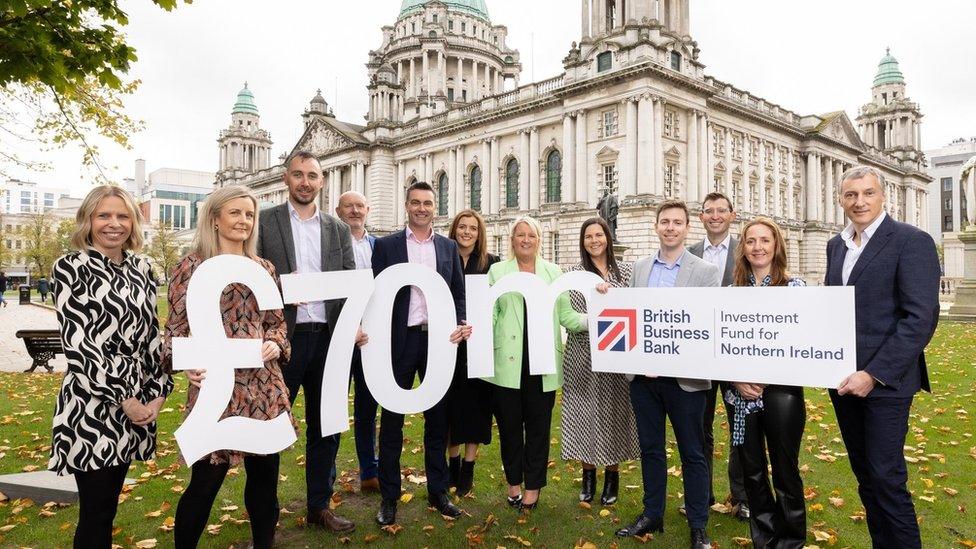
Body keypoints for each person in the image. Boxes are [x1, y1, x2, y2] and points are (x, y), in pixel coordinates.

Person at [165, 185, 292, 549]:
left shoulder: (264, 268)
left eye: (249, 214)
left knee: (266, 480)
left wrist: (275, 342)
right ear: (215, 219)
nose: (243, 221)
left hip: (263, 387)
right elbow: (175, 330)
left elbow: (278, 324)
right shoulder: (191, 267)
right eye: (235, 213)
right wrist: (186, 362)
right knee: (205, 481)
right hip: (216, 388)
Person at [49, 185, 172, 548]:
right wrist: (125, 399)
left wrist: (157, 393)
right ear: (87, 220)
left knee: (110, 508)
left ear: (133, 222)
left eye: (122, 216)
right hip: (92, 404)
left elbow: (152, 335)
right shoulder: (70, 267)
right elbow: (79, 345)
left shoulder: (142, 268)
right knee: (96, 511)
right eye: (104, 215)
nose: (113, 224)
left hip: (137, 400)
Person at [826, 166, 940, 549]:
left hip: (886, 384)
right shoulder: (836, 245)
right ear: (842, 199)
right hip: (843, 383)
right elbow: (832, 309)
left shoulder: (912, 241)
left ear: (883, 195)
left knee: (887, 479)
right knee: (866, 478)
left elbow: (919, 319)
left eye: (868, 193)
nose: (859, 202)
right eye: (851, 195)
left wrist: (872, 374)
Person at [256, 152, 357, 533]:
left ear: (321, 181)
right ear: (286, 179)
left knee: (326, 425)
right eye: (298, 175)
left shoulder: (337, 228)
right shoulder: (265, 222)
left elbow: (348, 279)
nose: (304, 182)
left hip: (328, 338)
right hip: (283, 339)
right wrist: (281, 288)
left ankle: (319, 506)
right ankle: (265, 518)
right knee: (270, 426)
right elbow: (251, 277)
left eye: (312, 176)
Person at [614, 200, 718, 549]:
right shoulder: (640, 269)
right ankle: (652, 514)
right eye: (665, 222)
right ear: (656, 227)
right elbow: (628, 313)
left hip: (684, 381)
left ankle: (698, 524)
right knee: (651, 449)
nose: (670, 228)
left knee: (693, 452)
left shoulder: (705, 271)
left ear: (687, 228)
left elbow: (707, 324)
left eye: (677, 222)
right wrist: (605, 297)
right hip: (644, 380)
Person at [371, 181, 471, 526]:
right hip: (399, 341)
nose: (422, 208)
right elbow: (375, 293)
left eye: (427, 203)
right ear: (407, 206)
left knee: (438, 420)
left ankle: (438, 491)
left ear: (434, 206)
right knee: (393, 422)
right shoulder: (386, 247)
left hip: (438, 342)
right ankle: (389, 496)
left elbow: (458, 292)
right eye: (415, 203)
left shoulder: (447, 247)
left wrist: (461, 321)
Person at [486, 216, 587, 511]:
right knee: (509, 429)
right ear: (512, 239)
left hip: (542, 364)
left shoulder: (554, 272)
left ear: (539, 239)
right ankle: (513, 483)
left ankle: (533, 487)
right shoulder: (497, 271)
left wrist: (598, 317)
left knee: (539, 429)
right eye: (520, 235)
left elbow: (567, 316)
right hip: (507, 363)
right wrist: (475, 331)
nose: (526, 240)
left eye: (531, 235)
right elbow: (490, 314)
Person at [727, 217, 806, 548]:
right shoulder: (731, 294)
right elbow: (720, 346)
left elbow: (805, 345)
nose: (757, 247)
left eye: (764, 241)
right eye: (750, 241)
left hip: (782, 396)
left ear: (776, 246)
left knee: (785, 471)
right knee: (752, 471)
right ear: (743, 249)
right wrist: (736, 379)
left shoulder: (795, 288)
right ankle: (765, 537)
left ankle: (790, 540)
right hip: (740, 397)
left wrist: (766, 376)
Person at [560, 217, 638, 506]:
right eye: (588, 236)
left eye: (598, 235)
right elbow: (567, 317)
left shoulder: (626, 273)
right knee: (584, 415)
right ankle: (588, 476)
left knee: (613, 414)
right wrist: (599, 316)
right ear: (583, 242)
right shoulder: (573, 275)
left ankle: (613, 477)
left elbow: (634, 310)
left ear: (607, 237)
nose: (594, 240)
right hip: (582, 354)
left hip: (616, 356)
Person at [688, 191, 749, 521]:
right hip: (699, 354)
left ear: (732, 214)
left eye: (721, 210)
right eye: (709, 211)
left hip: (734, 354)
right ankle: (701, 495)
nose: (715, 215)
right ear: (701, 217)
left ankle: (741, 496)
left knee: (739, 426)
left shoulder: (747, 248)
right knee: (700, 429)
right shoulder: (690, 252)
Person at [446, 209, 500, 496]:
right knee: (450, 407)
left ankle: (468, 467)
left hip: (479, 345)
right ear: (454, 230)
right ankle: (452, 464)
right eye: (462, 227)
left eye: (473, 228)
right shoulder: (443, 259)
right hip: (449, 342)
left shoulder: (492, 263)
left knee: (477, 408)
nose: (467, 232)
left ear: (480, 234)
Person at [334, 190, 380, 494]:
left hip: (372, 337)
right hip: (338, 335)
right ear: (338, 210)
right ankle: (326, 476)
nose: (355, 211)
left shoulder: (380, 245)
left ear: (368, 210)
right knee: (332, 409)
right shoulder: (330, 244)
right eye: (348, 206)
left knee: (367, 407)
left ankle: (369, 470)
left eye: (360, 206)